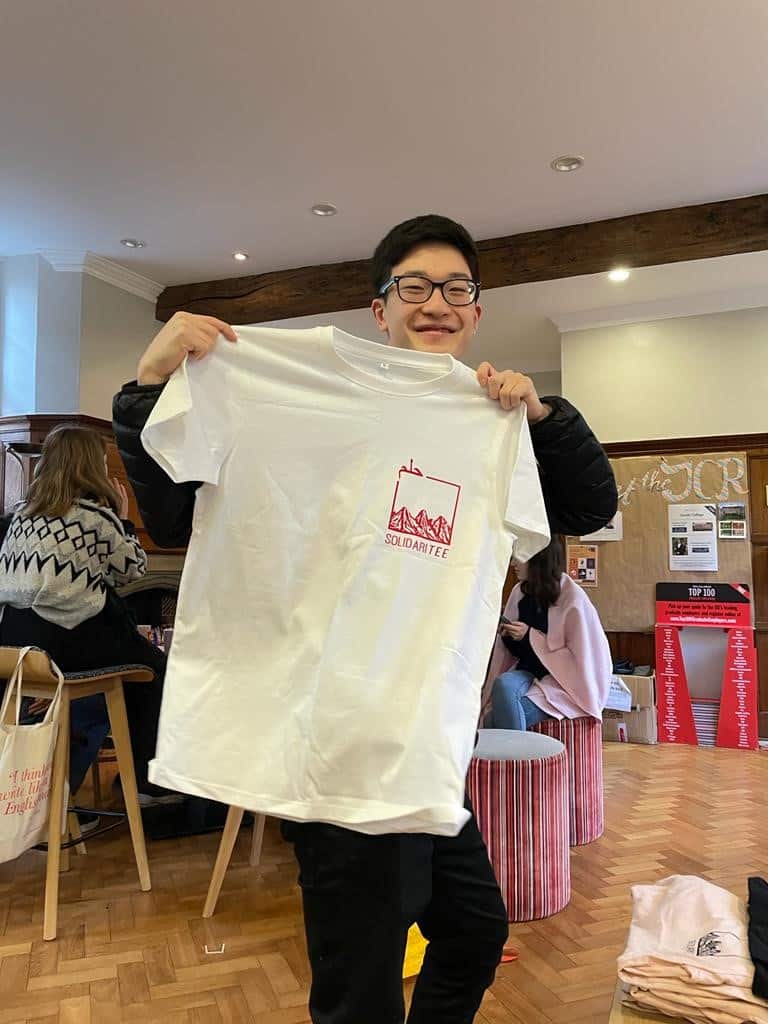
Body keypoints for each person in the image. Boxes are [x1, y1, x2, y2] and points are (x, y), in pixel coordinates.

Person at [113, 214, 618, 1024]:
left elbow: (591, 505)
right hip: (336, 748)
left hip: (421, 745)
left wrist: (543, 421)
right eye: (413, 286)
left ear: (477, 312)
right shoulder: (279, 387)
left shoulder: (488, 419)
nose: (436, 303)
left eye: (457, 289)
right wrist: (145, 386)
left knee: (476, 933)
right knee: (363, 991)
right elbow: (173, 519)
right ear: (378, 308)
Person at [0, 425, 172, 806]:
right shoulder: (96, 518)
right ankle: (146, 785)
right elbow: (134, 569)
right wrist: (124, 520)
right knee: (154, 671)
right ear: (92, 467)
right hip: (67, 643)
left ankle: (50, 795)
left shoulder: (19, 517)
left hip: (15, 645)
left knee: (110, 680)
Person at [483, 536, 612, 730]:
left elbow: (579, 660)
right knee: (501, 688)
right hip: (530, 672)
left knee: (496, 715)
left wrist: (529, 636)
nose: (513, 563)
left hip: (565, 683)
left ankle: (519, 759)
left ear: (537, 558)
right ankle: (519, 759)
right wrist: (510, 636)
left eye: (519, 557)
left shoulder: (572, 597)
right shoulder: (520, 592)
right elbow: (518, 654)